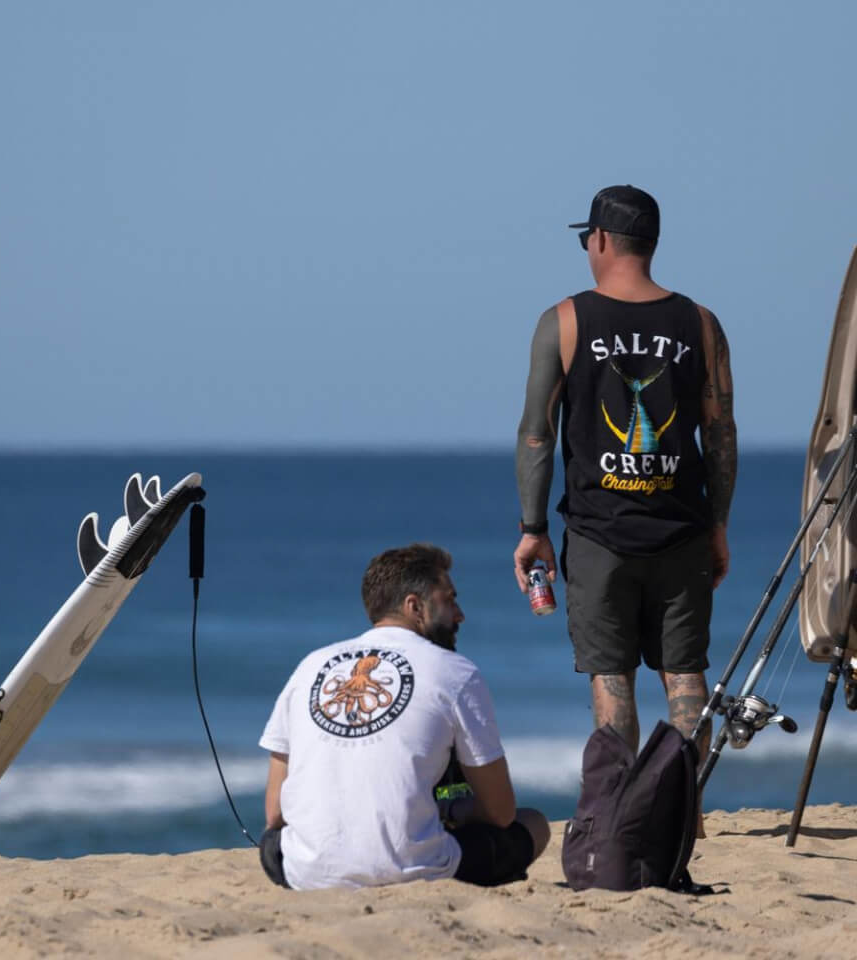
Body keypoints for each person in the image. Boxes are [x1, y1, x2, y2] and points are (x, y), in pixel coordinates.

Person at [512, 185, 737, 790]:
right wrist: (718, 524)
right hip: (682, 528)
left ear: (603, 239)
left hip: (598, 534)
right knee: (685, 676)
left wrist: (532, 530)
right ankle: (682, 808)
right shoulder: (701, 323)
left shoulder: (563, 320)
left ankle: (617, 806)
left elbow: (537, 435)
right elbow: (720, 434)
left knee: (611, 678)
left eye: (588, 236)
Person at [258, 543, 549, 890]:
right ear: (416, 607)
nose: (460, 614)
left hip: (304, 873)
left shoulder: (310, 666)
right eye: (450, 599)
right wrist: (451, 812)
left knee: (273, 845)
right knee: (533, 824)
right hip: (415, 873)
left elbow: (275, 813)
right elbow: (500, 811)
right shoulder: (456, 672)